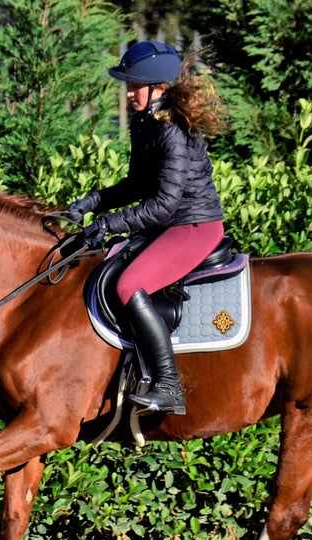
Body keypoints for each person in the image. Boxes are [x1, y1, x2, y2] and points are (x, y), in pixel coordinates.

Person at [69, 40, 226, 416]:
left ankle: (169, 385)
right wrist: (93, 202)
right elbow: (138, 184)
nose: (128, 92)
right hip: (171, 223)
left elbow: (163, 205)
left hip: (193, 226)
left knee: (128, 284)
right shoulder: (145, 123)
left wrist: (106, 224)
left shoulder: (171, 131)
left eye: (135, 85)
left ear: (160, 89)